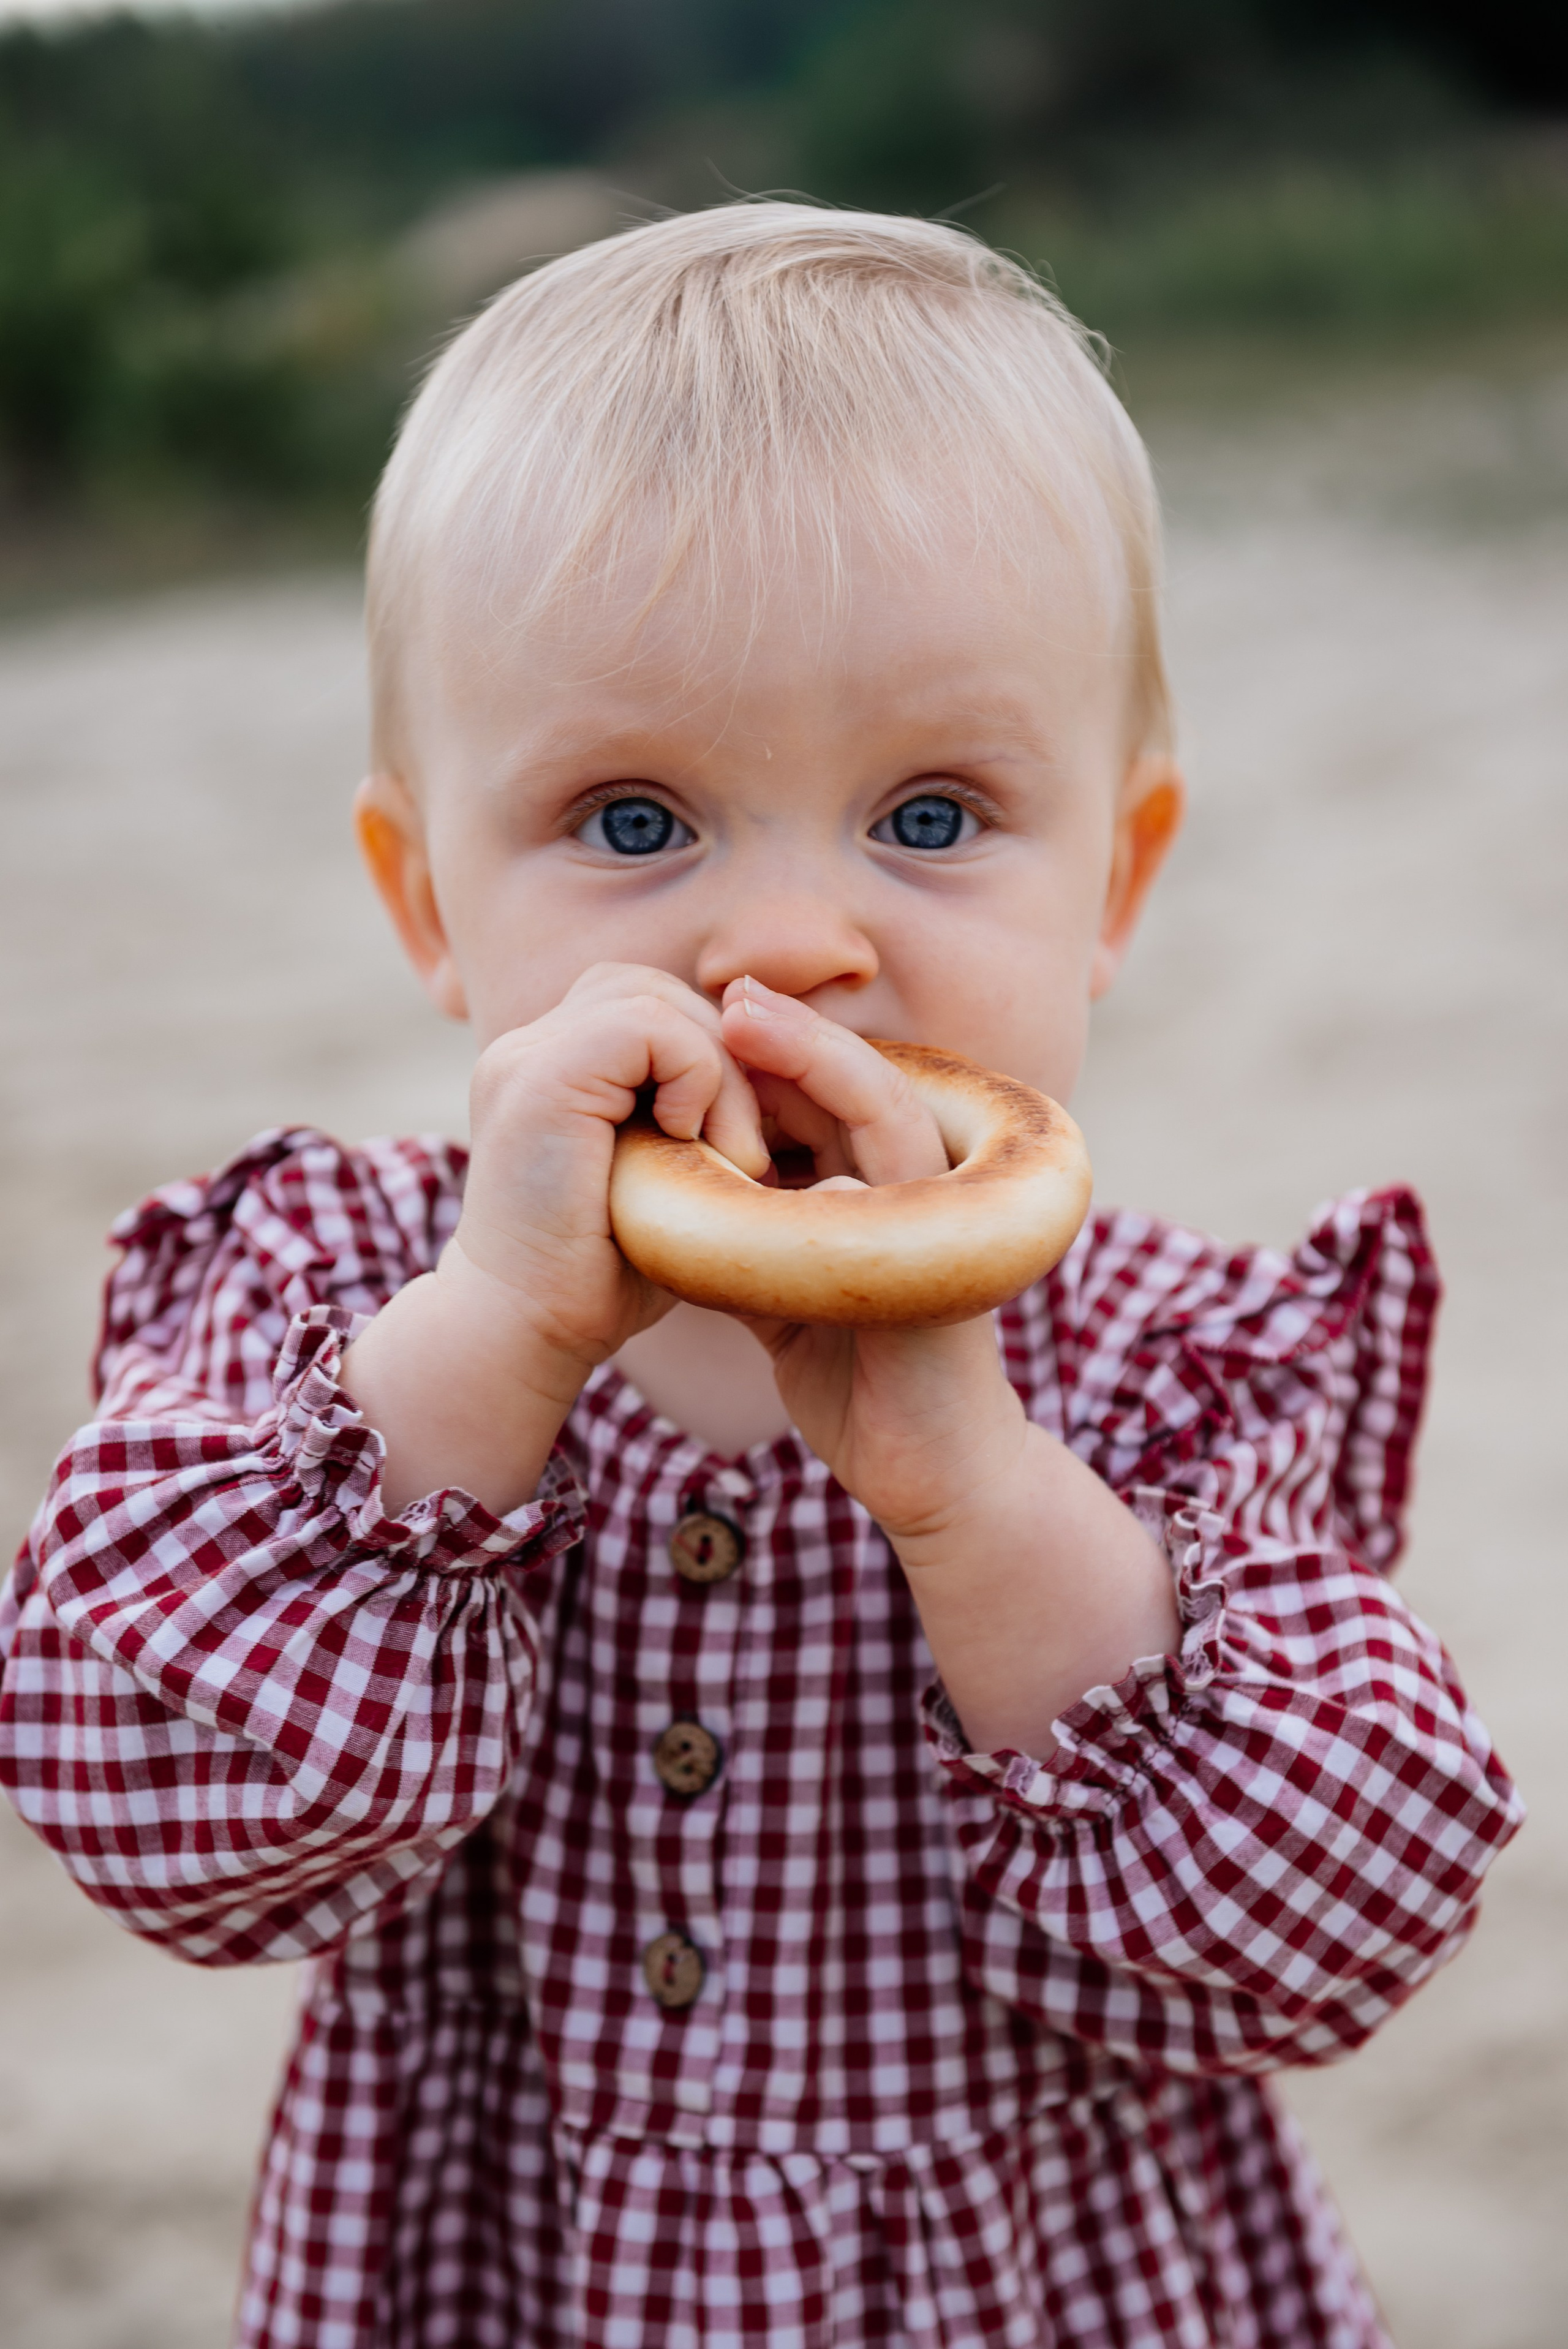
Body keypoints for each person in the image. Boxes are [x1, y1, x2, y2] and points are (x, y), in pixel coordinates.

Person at [0, 205, 1521, 2348]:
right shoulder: (337, 1299)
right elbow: (164, 1821)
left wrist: (978, 1487)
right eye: (634, 821)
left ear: (1119, 875)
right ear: (427, 897)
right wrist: (485, 1350)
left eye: (928, 811)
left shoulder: (1180, 1372)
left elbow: (1329, 1933)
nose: (789, 942)